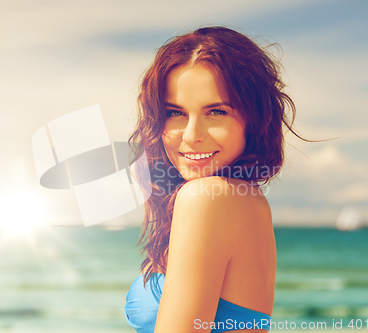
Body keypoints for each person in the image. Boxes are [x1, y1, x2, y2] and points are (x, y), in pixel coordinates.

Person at [124, 26, 301, 333]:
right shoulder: (245, 199)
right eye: (175, 113)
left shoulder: (207, 197)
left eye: (216, 111)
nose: (192, 136)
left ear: (253, 118)